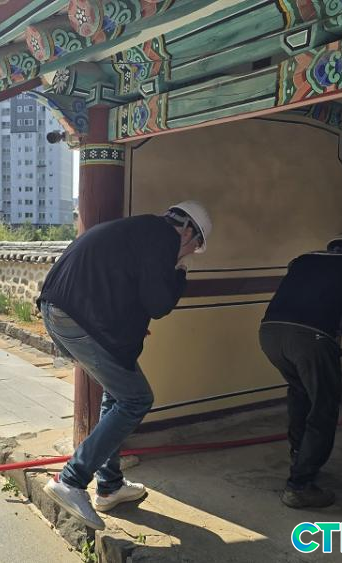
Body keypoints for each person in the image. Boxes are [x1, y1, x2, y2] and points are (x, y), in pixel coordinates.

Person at [37, 201, 212, 530]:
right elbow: (159, 304)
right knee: (136, 399)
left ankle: (110, 485)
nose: (188, 253)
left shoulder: (140, 229)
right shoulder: (164, 237)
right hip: (78, 317)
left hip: (63, 310)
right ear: (189, 231)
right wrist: (180, 272)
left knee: (118, 394)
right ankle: (71, 479)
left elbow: (129, 288)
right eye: (194, 247)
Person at [259, 231, 342, 509]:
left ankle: (300, 455)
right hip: (311, 339)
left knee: (300, 392)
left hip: (270, 334)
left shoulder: (303, 260)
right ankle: (300, 486)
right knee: (324, 406)